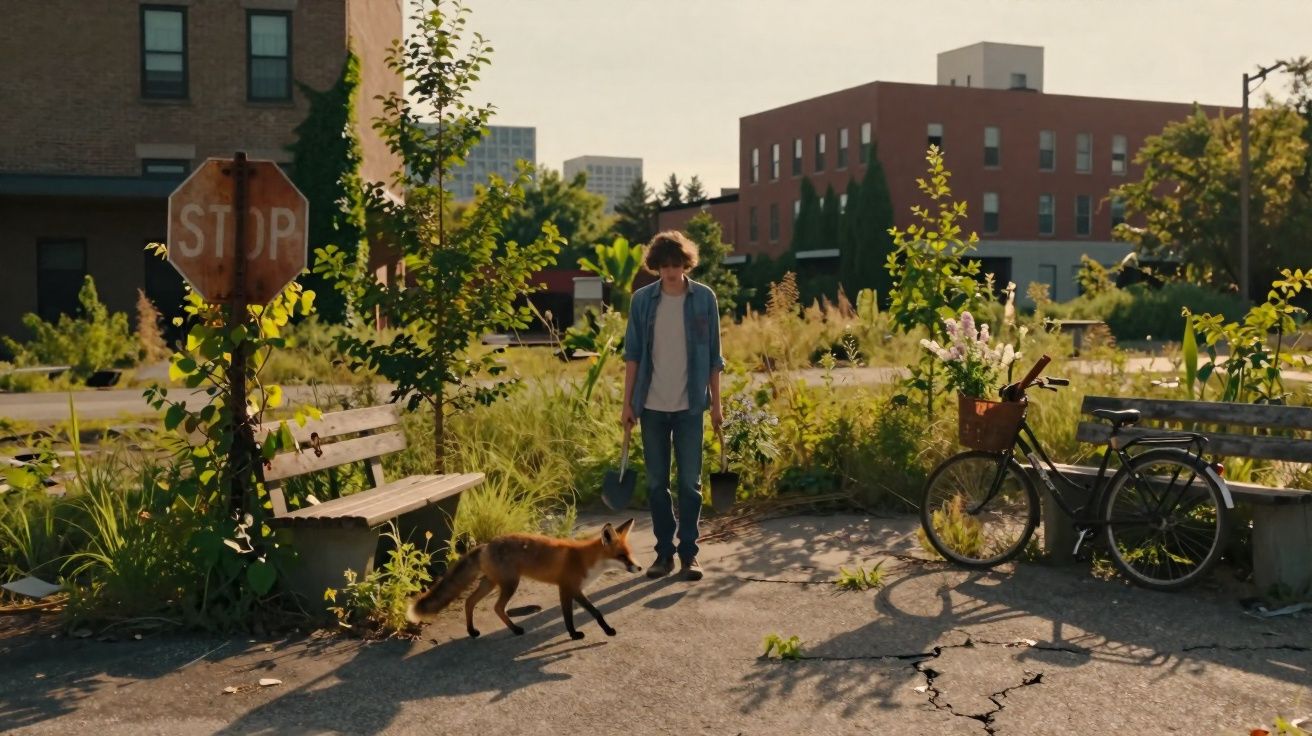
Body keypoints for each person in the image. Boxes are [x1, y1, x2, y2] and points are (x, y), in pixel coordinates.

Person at [621, 230, 724, 581]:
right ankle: (663, 554)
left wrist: (717, 406)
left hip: (691, 406)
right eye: (664, 265)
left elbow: (714, 357)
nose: (670, 272)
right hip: (650, 405)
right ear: (656, 266)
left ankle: (689, 555)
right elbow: (632, 355)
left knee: (690, 485)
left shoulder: (704, 299)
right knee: (655, 484)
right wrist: (628, 404)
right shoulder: (642, 301)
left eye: (676, 264)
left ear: (686, 263)